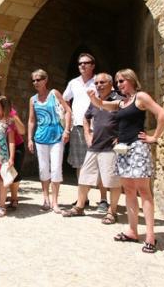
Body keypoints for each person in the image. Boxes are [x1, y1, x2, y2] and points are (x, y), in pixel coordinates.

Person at [88, 69, 164, 254]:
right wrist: (93, 97)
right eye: (117, 81)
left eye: (121, 80)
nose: (118, 84)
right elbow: (102, 104)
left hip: (137, 148)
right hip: (123, 150)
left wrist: (154, 137)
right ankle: (132, 231)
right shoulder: (122, 103)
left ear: (131, 79)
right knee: (129, 190)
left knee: (144, 192)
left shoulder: (141, 97)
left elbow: (162, 114)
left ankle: (150, 236)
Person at [62, 73, 122, 224]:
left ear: (110, 83)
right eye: (96, 83)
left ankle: (112, 212)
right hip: (95, 145)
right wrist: (87, 134)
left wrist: (121, 136)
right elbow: (86, 117)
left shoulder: (118, 100)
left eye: (102, 82)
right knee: (84, 177)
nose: (99, 85)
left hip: (111, 147)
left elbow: (127, 119)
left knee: (112, 181)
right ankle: (80, 207)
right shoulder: (95, 100)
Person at [63, 53, 105, 209]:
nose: (82, 65)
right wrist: (69, 112)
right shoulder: (73, 83)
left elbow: (109, 97)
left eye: (86, 63)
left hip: (97, 127)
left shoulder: (99, 82)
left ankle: (103, 199)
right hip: (78, 127)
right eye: (80, 63)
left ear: (92, 65)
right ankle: (83, 198)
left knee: (101, 163)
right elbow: (65, 98)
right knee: (79, 163)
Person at [27, 69, 71, 214]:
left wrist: (66, 131)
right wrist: (30, 139)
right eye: (33, 80)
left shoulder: (54, 94)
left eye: (38, 79)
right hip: (40, 138)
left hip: (57, 136)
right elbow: (32, 120)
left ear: (45, 80)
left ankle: (55, 202)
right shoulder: (33, 99)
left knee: (56, 168)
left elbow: (67, 111)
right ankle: (46, 200)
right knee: (43, 169)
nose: (36, 82)